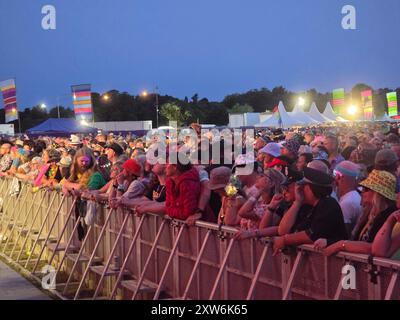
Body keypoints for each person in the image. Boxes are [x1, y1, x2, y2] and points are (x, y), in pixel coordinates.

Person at [273, 160, 348, 255]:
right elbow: (282, 230)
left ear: (310, 188)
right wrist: (297, 202)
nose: (300, 190)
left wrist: (285, 240)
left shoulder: (328, 204)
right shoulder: (309, 206)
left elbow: (312, 235)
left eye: (303, 187)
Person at [323, 170, 397, 256]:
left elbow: (372, 247)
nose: (361, 192)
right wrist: (329, 242)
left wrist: (341, 245)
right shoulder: (369, 213)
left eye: (365, 189)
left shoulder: (388, 215)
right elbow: (356, 241)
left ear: (377, 193)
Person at [165, 156, 201, 221]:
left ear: (175, 166)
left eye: (167, 163)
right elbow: (167, 207)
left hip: (199, 228)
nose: (165, 166)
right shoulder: (170, 182)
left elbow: (188, 213)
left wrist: (171, 211)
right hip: (183, 226)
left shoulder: (187, 183)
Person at [333, 161, 362, 237]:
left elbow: (342, 233)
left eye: (335, 173)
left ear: (340, 177)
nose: (334, 177)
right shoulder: (354, 196)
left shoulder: (347, 203)